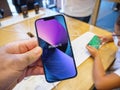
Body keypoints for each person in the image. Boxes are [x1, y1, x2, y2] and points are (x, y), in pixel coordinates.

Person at [86, 15, 120, 90]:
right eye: (117, 35)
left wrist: (96, 56)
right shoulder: (117, 36)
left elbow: (101, 84)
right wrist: (107, 37)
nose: (118, 43)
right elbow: (114, 35)